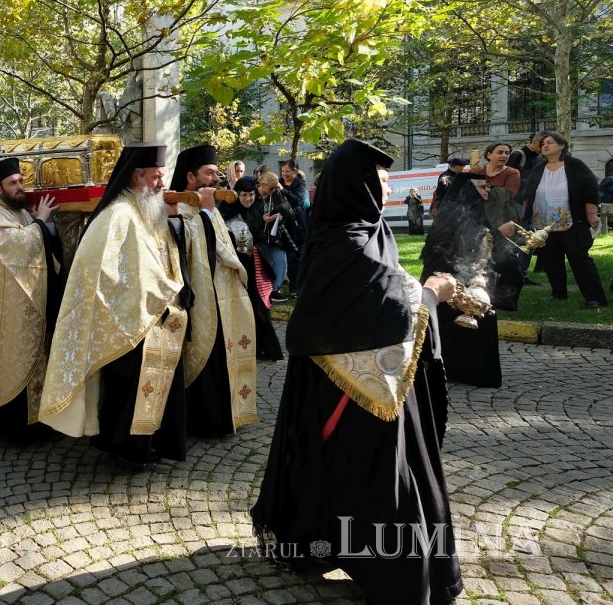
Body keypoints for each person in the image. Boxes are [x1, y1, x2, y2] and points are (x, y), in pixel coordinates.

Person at [250, 139, 464, 605]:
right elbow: (377, 307)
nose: (385, 191)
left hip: (377, 377)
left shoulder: (371, 230)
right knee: (365, 476)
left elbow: (382, 292)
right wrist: (427, 295)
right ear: (357, 187)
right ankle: (383, 566)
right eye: (379, 182)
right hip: (350, 391)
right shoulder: (342, 242)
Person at [40, 144, 189, 469]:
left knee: (145, 388)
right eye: (156, 176)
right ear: (136, 176)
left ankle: (143, 445)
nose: (161, 183)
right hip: (124, 321)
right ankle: (124, 448)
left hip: (150, 316)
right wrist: (159, 292)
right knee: (126, 392)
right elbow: (102, 272)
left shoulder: (146, 209)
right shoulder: (118, 214)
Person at [0, 158, 63, 441]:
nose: (21, 187)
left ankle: (41, 421)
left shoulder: (20, 214)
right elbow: (19, 247)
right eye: (14, 183)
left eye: (22, 181)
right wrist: (42, 223)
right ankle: (18, 427)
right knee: (14, 362)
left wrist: (48, 225)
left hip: (32, 303)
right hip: (6, 311)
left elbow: (43, 247)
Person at [167, 145, 258, 439]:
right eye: (209, 173)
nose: (216, 179)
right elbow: (189, 248)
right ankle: (204, 421)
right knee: (206, 356)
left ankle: (227, 414)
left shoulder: (210, 207)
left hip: (224, 295)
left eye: (217, 173)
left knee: (225, 355)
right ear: (190, 177)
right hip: (200, 299)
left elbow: (224, 246)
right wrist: (206, 215)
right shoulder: (179, 209)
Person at [421, 174, 520, 388]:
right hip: (454, 283)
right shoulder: (454, 214)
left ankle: (467, 370)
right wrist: (497, 232)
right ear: (468, 189)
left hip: (473, 279)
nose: (487, 190)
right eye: (482, 186)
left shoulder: (474, 211)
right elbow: (462, 247)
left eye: (488, 186)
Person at [519, 131, 607, 309]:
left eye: (550, 142)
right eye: (543, 143)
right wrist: (525, 216)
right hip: (544, 224)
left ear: (562, 146)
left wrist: (591, 213)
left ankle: (595, 298)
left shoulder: (575, 165)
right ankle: (558, 294)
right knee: (551, 260)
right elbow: (529, 193)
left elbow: (590, 188)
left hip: (572, 221)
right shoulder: (538, 168)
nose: (545, 145)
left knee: (579, 259)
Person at [219, 177, 284, 361]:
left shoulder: (257, 209)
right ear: (236, 195)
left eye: (251, 195)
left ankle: (265, 349)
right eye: (244, 195)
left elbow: (260, 237)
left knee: (260, 308)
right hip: (236, 268)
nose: (248, 199)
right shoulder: (225, 212)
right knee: (241, 307)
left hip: (256, 267)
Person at [255, 172, 299, 301]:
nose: (274, 190)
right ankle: (262, 291)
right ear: (262, 185)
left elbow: (290, 210)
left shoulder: (277, 193)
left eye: (276, 187)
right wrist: (261, 220)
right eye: (271, 187)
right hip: (258, 238)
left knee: (281, 263)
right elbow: (248, 216)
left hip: (275, 236)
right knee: (262, 266)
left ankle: (275, 289)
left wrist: (280, 214)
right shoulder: (252, 195)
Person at [278, 160, 309, 296]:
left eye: (287, 171)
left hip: (296, 224)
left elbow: (297, 201)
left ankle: (294, 288)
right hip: (278, 222)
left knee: (294, 256)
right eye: (283, 171)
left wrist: (282, 190)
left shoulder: (300, 185)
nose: (284, 174)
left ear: (295, 171)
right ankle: (277, 285)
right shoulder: (279, 181)